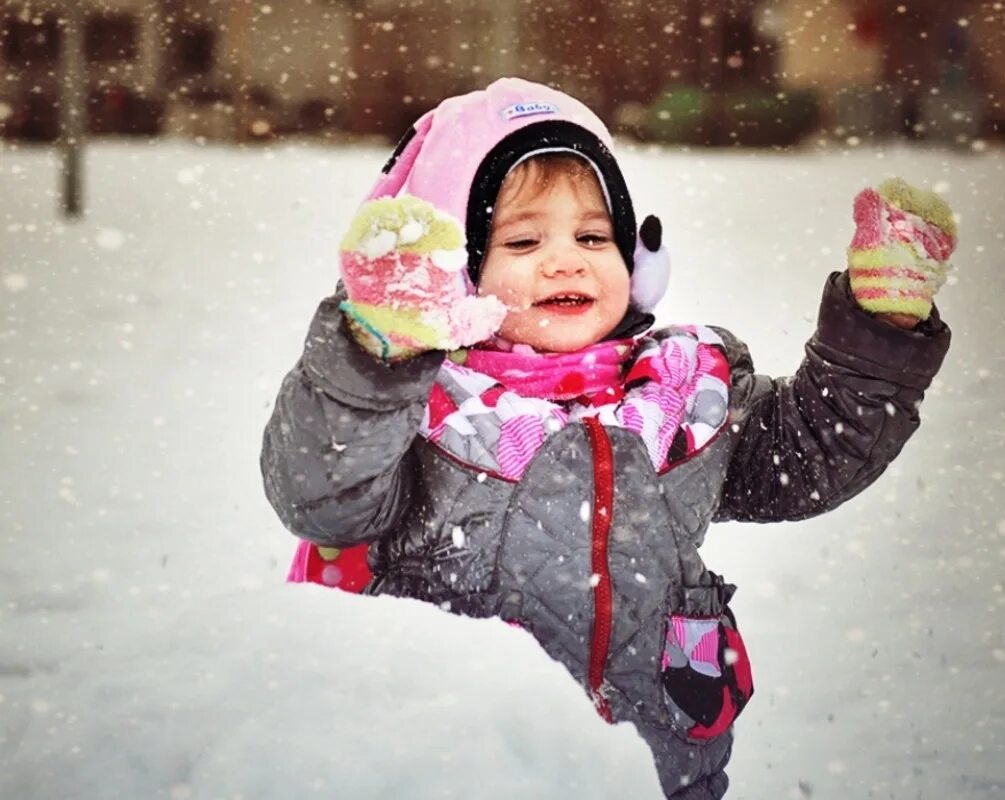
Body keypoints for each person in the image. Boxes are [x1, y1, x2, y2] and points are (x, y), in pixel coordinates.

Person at [261, 77, 955, 799]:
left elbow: (805, 459)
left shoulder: (679, 390)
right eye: (523, 240)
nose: (567, 260)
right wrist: (376, 356)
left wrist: (879, 330)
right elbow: (323, 499)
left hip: (661, 761)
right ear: (454, 272)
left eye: (594, 236)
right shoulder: (422, 401)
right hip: (461, 762)